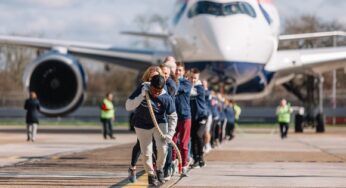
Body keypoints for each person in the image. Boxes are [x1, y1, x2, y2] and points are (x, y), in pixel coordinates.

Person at [125, 75, 177, 186]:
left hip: (159, 123)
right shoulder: (142, 88)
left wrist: (170, 133)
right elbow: (128, 106)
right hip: (141, 124)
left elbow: (173, 116)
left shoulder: (166, 97)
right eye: (154, 90)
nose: (156, 93)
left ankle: (159, 169)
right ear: (150, 85)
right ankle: (151, 174)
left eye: (158, 91)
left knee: (163, 148)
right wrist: (141, 96)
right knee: (147, 152)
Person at [127, 65, 163, 183]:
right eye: (152, 76)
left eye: (156, 76)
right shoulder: (143, 87)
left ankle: (154, 171)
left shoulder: (162, 88)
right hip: (142, 122)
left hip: (156, 123)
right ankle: (132, 167)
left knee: (157, 146)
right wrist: (141, 95)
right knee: (140, 146)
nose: (154, 79)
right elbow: (129, 103)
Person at [171, 62, 192, 176]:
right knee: (172, 142)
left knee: (183, 143)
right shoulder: (170, 82)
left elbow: (175, 89)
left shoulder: (186, 83)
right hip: (173, 116)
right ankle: (173, 163)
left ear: (184, 72)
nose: (177, 72)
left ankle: (184, 166)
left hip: (184, 116)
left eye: (179, 70)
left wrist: (172, 82)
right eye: (176, 70)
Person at [188, 68, 208, 168]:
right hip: (191, 117)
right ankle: (195, 158)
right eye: (191, 78)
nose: (193, 80)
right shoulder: (188, 85)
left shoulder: (200, 88)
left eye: (195, 78)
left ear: (198, 78)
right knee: (192, 137)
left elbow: (190, 92)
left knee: (198, 135)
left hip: (201, 116)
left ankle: (200, 156)